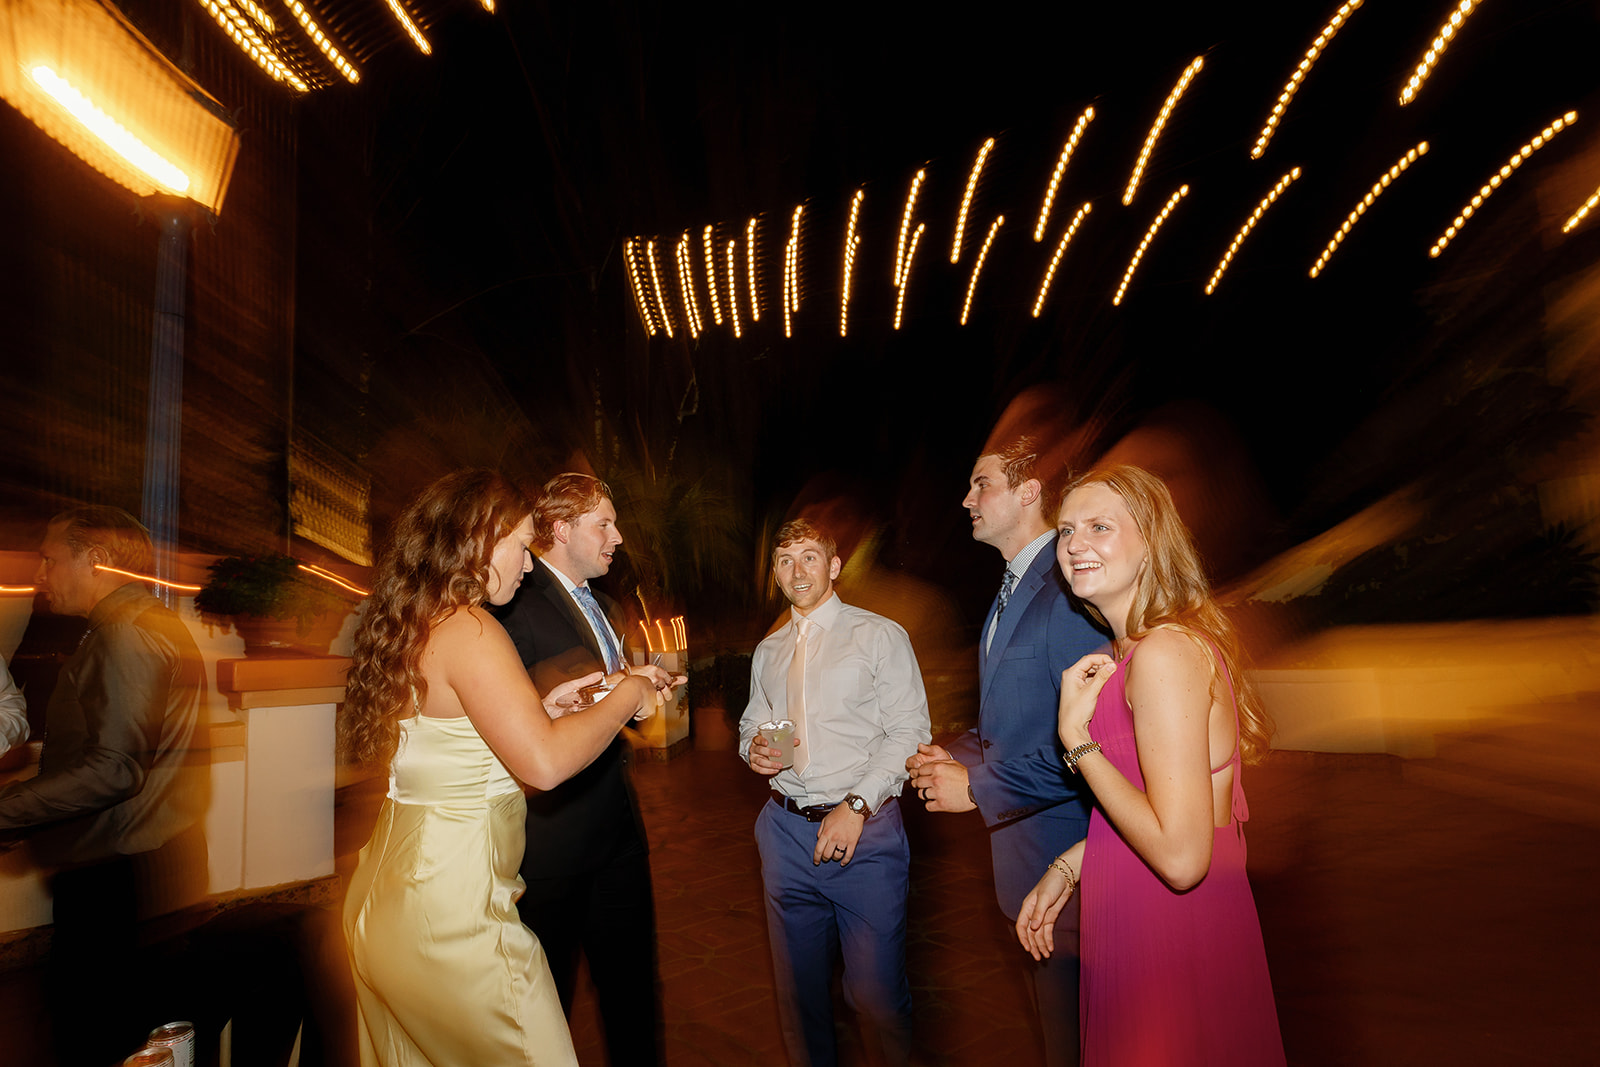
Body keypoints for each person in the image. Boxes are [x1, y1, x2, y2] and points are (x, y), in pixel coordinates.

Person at [340, 469, 656, 1067]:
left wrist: (539, 708)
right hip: (451, 912)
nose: (529, 564)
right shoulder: (472, 626)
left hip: (388, 896)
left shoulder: (422, 619)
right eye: (519, 544)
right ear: (482, 543)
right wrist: (629, 693)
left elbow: (455, 739)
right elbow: (544, 765)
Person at [1016, 465, 1285, 1066]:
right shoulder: (1130, 654)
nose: (1075, 544)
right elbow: (1164, 801)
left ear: (1152, 543)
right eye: (1065, 531)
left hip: (1169, 935)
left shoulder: (1163, 653)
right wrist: (1070, 864)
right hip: (1137, 916)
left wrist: (1075, 740)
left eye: (1099, 527)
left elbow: (1183, 858)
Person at [907, 437, 1104, 1066]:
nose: (966, 499)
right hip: (1026, 870)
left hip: (1070, 872)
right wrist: (949, 752)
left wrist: (978, 789)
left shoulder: (1068, 592)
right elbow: (1018, 723)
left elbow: (1093, 749)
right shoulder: (1014, 587)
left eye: (981, 483)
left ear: (1029, 491)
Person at [0, 506, 208, 1066]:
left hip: (122, 877)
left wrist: (7, 811)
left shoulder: (127, 634)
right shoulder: (138, 625)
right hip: (141, 864)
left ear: (96, 560)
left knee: (103, 1034)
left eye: (49, 558)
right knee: (147, 1038)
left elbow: (115, 769)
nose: (40, 574)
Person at [491, 471, 681, 1066]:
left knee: (632, 995)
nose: (618, 537)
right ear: (559, 527)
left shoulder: (600, 605)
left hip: (617, 831)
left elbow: (601, 706)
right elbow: (515, 719)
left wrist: (642, 696)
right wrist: (623, 694)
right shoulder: (513, 604)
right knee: (545, 1006)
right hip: (551, 844)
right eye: (604, 523)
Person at [740, 519, 930, 1067]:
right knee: (800, 1000)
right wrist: (751, 748)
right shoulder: (769, 650)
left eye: (808, 557)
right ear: (775, 572)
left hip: (863, 835)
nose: (796, 571)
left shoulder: (878, 635)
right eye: (784, 560)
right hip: (784, 833)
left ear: (834, 566)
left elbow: (909, 733)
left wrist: (856, 806)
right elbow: (753, 721)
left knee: (874, 1000)